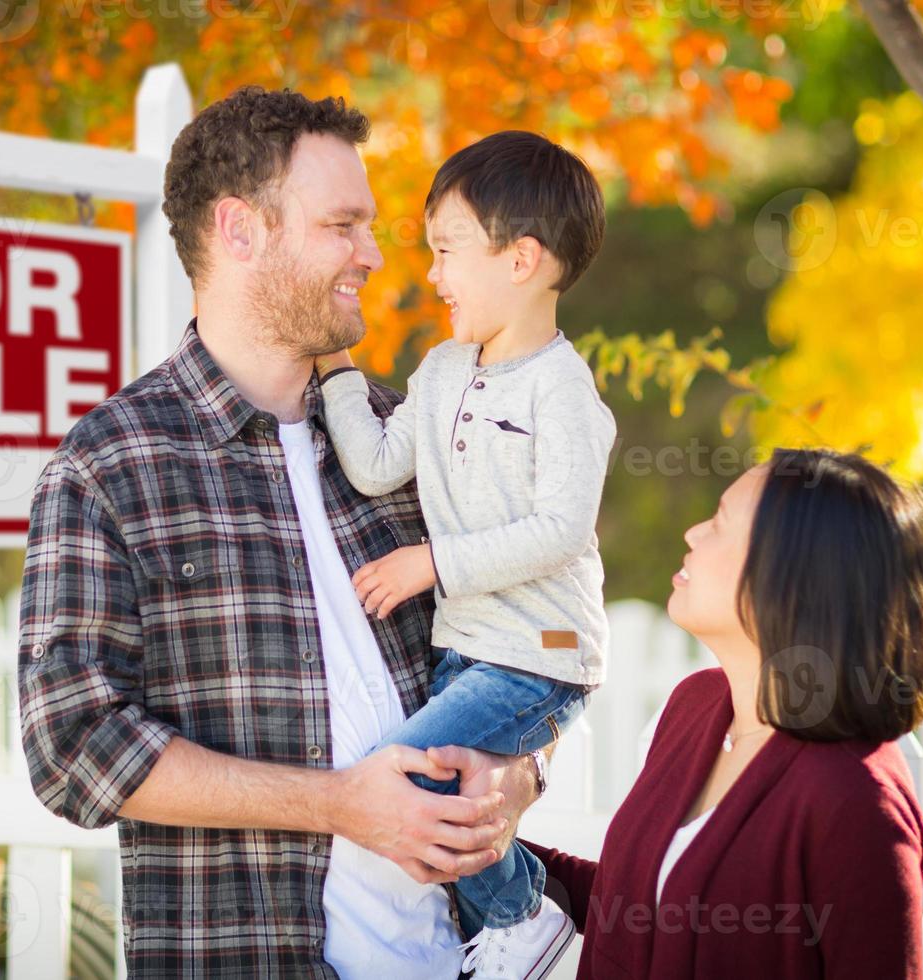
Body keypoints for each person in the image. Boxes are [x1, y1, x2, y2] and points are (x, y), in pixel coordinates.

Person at [17, 86, 550, 979]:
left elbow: (540, 635)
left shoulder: (418, 437)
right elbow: (72, 748)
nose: (376, 255)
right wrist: (339, 804)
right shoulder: (110, 466)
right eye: (343, 224)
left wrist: (519, 772)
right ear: (239, 230)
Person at [312, 130, 614, 980]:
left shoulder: (563, 390)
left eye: (446, 251)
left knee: (397, 778)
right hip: (468, 651)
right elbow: (374, 464)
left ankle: (525, 918)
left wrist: (432, 563)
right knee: (445, 792)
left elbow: (560, 527)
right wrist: (334, 365)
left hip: (541, 658)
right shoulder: (443, 370)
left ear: (521, 259)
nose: (434, 275)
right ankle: (516, 919)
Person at [521, 448, 923, 979]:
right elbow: (643, 911)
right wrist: (488, 851)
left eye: (721, 522)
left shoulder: (857, 801)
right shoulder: (697, 706)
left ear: (793, 574)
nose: (693, 533)